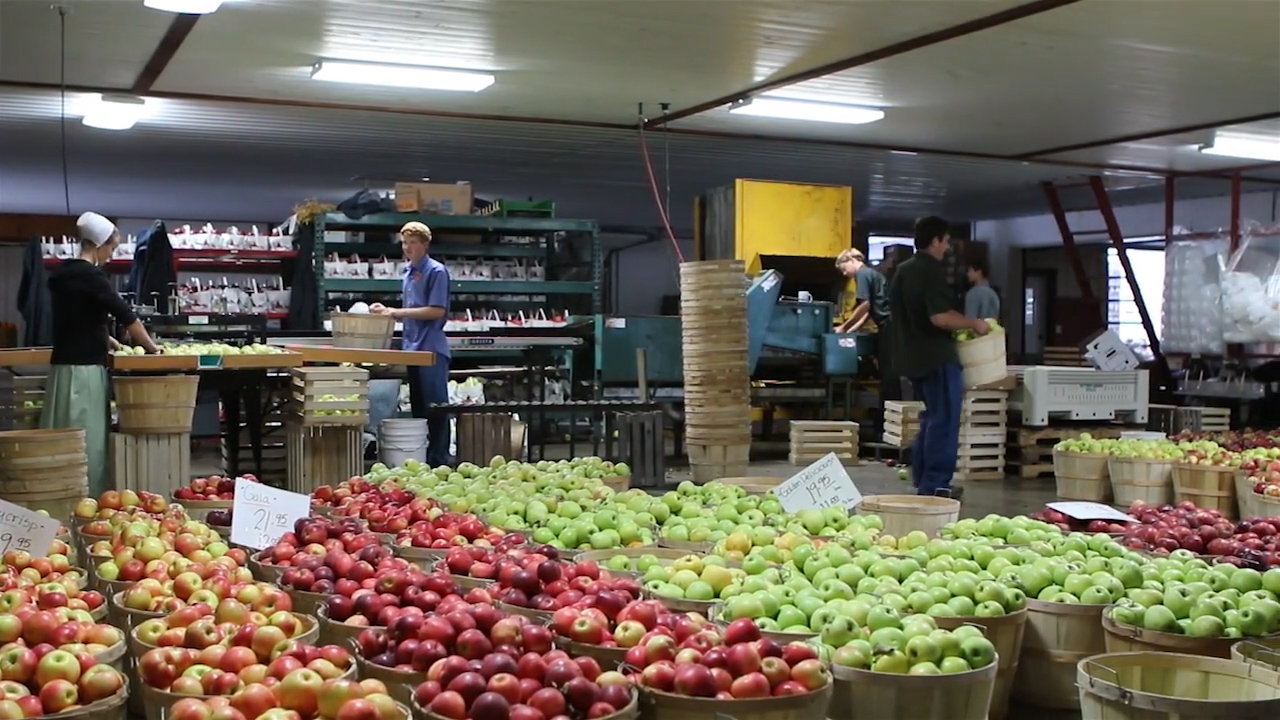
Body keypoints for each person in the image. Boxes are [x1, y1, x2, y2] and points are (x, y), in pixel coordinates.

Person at [45, 212, 161, 497]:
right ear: (98, 246)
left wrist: (103, 337)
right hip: (85, 373)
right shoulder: (92, 276)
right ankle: (83, 500)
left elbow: (75, 318)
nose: (110, 255)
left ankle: (53, 496)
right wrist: (152, 347)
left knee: (58, 438)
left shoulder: (62, 275)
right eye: (110, 248)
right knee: (86, 442)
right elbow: (126, 316)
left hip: (61, 370)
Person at [889, 216, 990, 499]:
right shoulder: (930, 270)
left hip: (910, 357)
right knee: (944, 418)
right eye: (945, 241)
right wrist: (974, 324)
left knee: (931, 417)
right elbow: (940, 317)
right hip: (935, 356)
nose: (947, 247)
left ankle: (923, 478)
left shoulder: (903, 270)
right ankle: (936, 484)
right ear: (935, 240)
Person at [370, 222, 451, 466]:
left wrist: (396, 312)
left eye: (413, 243)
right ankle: (424, 461)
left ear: (425, 244)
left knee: (436, 409)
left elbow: (437, 310)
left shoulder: (436, 272)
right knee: (419, 410)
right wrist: (386, 312)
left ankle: (440, 461)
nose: (408, 248)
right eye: (404, 243)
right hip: (412, 349)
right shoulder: (408, 272)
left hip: (431, 349)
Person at [834, 248, 900, 403]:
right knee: (889, 373)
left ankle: (891, 415)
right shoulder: (872, 274)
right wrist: (851, 329)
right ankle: (890, 414)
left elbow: (865, 305)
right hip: (891, 326)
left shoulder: (862, 274)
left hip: (888, 325)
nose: (844, 274)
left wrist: (843, 327)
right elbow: (868, 312)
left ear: (851, 261)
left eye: (844, 269)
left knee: (889, 374)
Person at [964, 256, 1001, 320]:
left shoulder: (974, 293)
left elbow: (970, 319)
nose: (968, 274)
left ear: (979, 272)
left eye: (970, 271)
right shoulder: (993, 293)